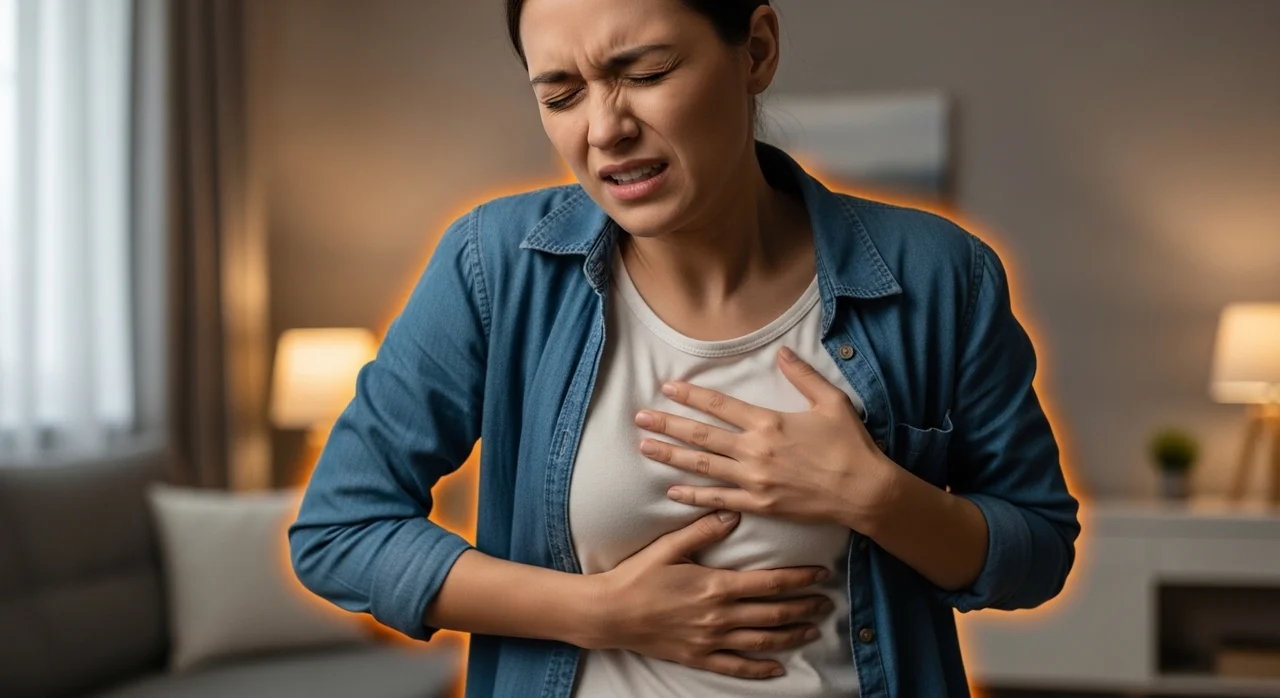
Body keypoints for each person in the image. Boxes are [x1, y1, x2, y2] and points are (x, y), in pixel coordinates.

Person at [288, 0, 1081, 696]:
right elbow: (339, 532)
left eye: (645, 71)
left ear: (757, 50)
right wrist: (599, 612)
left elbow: (1038, 550)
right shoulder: (492, 265)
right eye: (561, 93)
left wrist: (878, 497)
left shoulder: (942, 276)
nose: (604, 128)